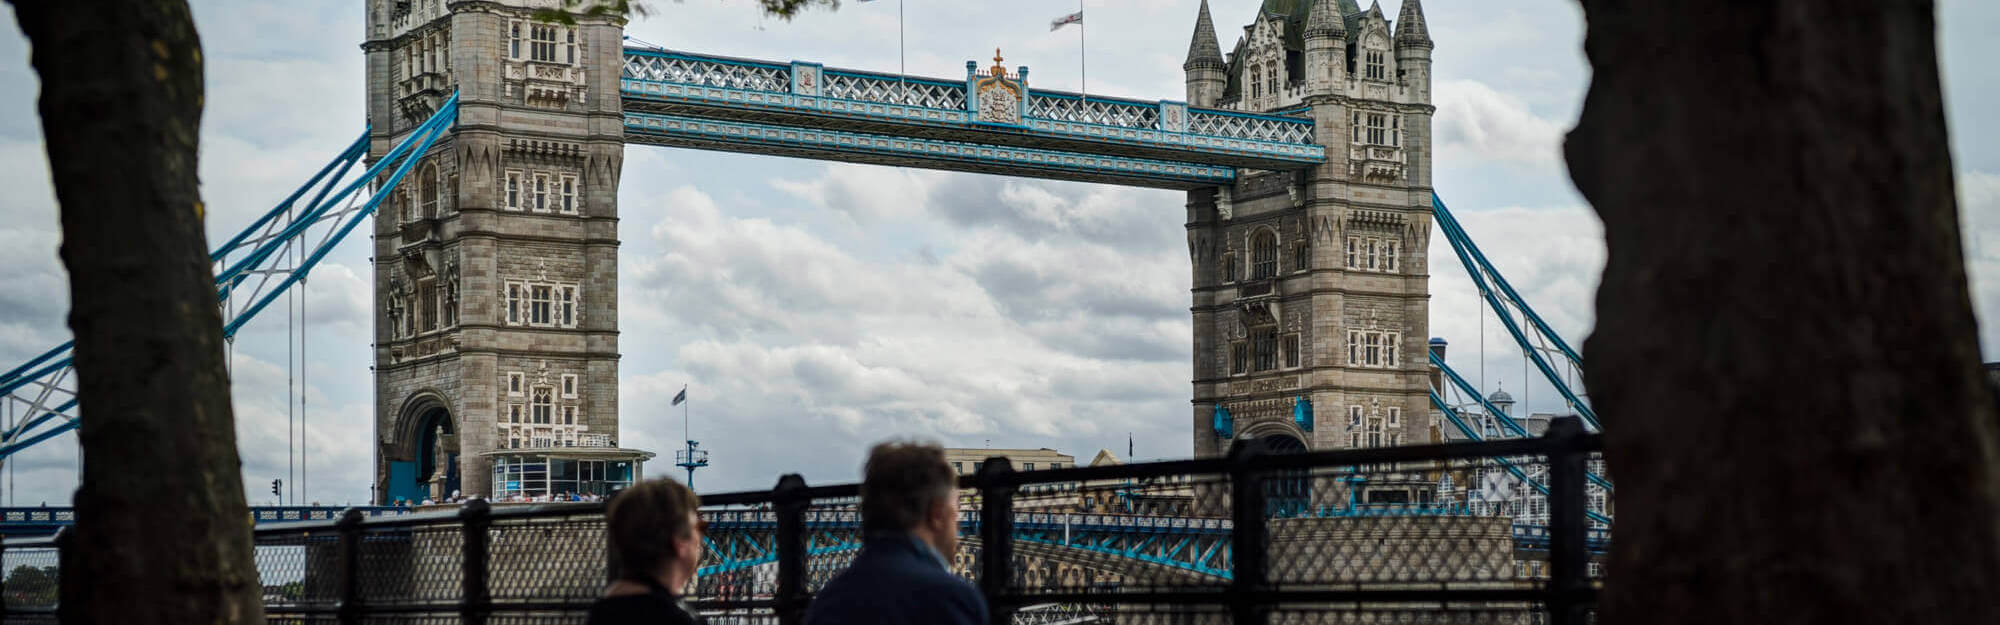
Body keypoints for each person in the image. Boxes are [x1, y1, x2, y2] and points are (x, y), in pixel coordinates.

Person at [804, 441, 987, 625]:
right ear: (937, 514)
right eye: (956, 512)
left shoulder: (828, 601)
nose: (958, 526)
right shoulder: (951, 598)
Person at [586, 477, 706, 625]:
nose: (701, 536)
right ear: (679, 543)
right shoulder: (676, 619)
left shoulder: (600, 613)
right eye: (700, 527)